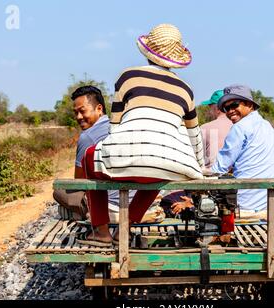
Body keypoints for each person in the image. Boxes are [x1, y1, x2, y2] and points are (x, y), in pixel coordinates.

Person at [79, 24, 204, 246]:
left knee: (90, 156)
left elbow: (114, 126)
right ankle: (125, 231)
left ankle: (101, 232)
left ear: (147, 52)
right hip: (166, 166)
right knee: (162, 167)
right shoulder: (186, 89)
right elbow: (194, 136)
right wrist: (200, 168)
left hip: (125, 153)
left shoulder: (128, 77)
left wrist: (116, 153)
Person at [52, 85, 134, 222]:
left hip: (110, 205)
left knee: (59, 191)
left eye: (82, 111)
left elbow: (79, 182)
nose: (79, 117)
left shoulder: (87, 137)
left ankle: (86, 214)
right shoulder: (122, 126)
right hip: (133, 201)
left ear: (99, 109)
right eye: (76, 113)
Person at [211, 84, 274, 213]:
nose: (230, 111)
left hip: (245, 204)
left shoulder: (239, 127)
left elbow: (219, 168)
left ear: (249, 105)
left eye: (234, 105)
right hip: (273, 202)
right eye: (226, 108)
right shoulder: (268, 126)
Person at [200, 90, 233, 169]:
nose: (209, 111)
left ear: (217, 108)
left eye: (210, 107)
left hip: (211, 175)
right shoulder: (239, 127)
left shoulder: (204, 128)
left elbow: (197, 157)